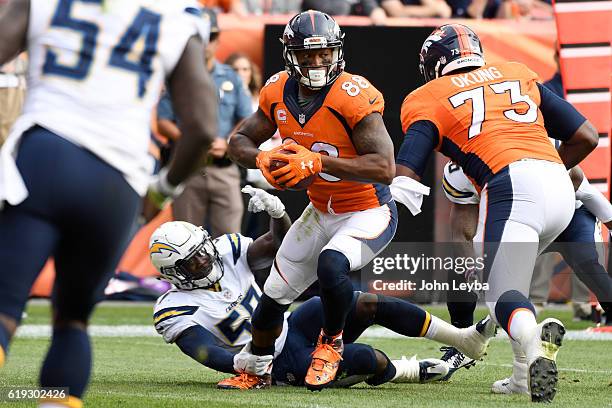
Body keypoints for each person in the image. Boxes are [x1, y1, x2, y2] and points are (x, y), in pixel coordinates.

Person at [0, 1, 217, 406]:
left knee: (4, 306)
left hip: (44, 156)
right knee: (72, 321)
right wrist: (162, 190)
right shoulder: (176, 16)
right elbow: (204, 128)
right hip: (117, 183)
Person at [393, 23, 598, 402]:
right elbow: (586, 136)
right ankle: (522, 377)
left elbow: (406, 173)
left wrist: (391, 198)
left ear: (434, 64)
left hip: (510, 186)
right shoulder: (516, 72)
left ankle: (535, 346)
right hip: (559, 183)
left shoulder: (428, 96)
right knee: (513, 287)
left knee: (501, 293)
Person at [149, 186, 494, 389]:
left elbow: (280, 246)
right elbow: (204, 350)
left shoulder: (226, 250)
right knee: (366, 358)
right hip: (276, 360)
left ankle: (462, 339)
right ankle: (412, 371)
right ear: (173, 272)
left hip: (292, 324)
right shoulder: (174, 307)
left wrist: (278, 212)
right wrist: (241, 362)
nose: (205, 261)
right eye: (192, 261)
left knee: (363, 302)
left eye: (202, 250)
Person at [224, 10, 401, 391]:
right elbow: (237, 140)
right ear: (291, 55)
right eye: (307, 54)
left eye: (324, 54)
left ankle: (331, 344)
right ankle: (254, 370)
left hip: (367, 209)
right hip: (320, 209)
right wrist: (261, 157)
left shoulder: (352, 95)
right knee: (273, 295)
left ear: (337, 52)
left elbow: (385, 167)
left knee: (332, 264)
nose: (317, 62)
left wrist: (318, 160)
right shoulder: (276, 91)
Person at [159, 8, 252, 237]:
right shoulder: (177, 75)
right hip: (188, 166)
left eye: (210, 38)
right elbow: (163, 120)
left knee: (230, 240)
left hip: (223, 166)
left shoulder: (230, 76)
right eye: (199, 39)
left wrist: (229, 140)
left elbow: (247, 117)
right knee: (184, 240)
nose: (205, 45)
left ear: (218, 40)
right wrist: (192, 141)